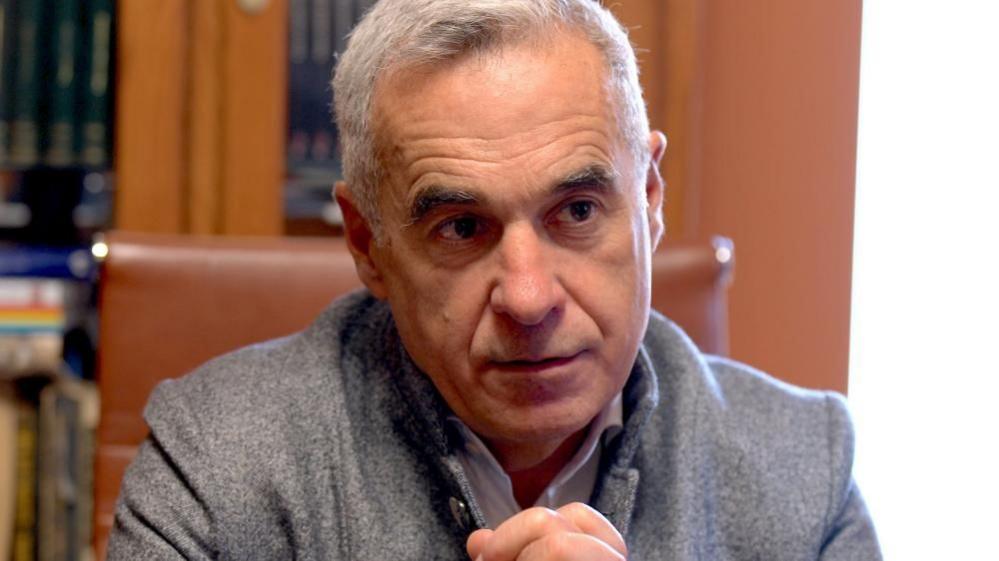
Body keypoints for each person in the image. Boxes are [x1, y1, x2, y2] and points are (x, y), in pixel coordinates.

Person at [106, 1, 881, 559]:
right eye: (461, 228)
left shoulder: (803, 470)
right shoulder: (215, 465)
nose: (529, 296)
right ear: (366, 243)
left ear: (648, 198)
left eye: (576, 210)